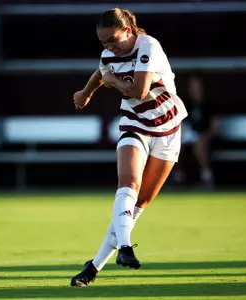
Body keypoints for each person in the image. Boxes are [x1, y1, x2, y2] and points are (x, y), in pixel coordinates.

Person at [70, 8, 188, 287]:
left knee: (140, 203)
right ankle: (125, 247)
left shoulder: (148, 45)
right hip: (134, 124)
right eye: (103, 42)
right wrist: (87, 92)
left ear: (128, 31)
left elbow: (139, 90)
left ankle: (93, 267)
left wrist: (111, 81)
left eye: (113, 39)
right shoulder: (108, 54)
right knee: (128, 184)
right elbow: (101, 71)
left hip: (168, 129)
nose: (109, 46)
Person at [173, 75, 221, 187]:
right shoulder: (186, 105)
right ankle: (178, 177)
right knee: (174, 143)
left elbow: (216, 128)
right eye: (192, 87)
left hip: (206, 138)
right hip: (188, 138)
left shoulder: (210, 105)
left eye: (197, 87)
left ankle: (207, 177)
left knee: (200, 142)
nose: (195, 90)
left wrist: (205, 135)